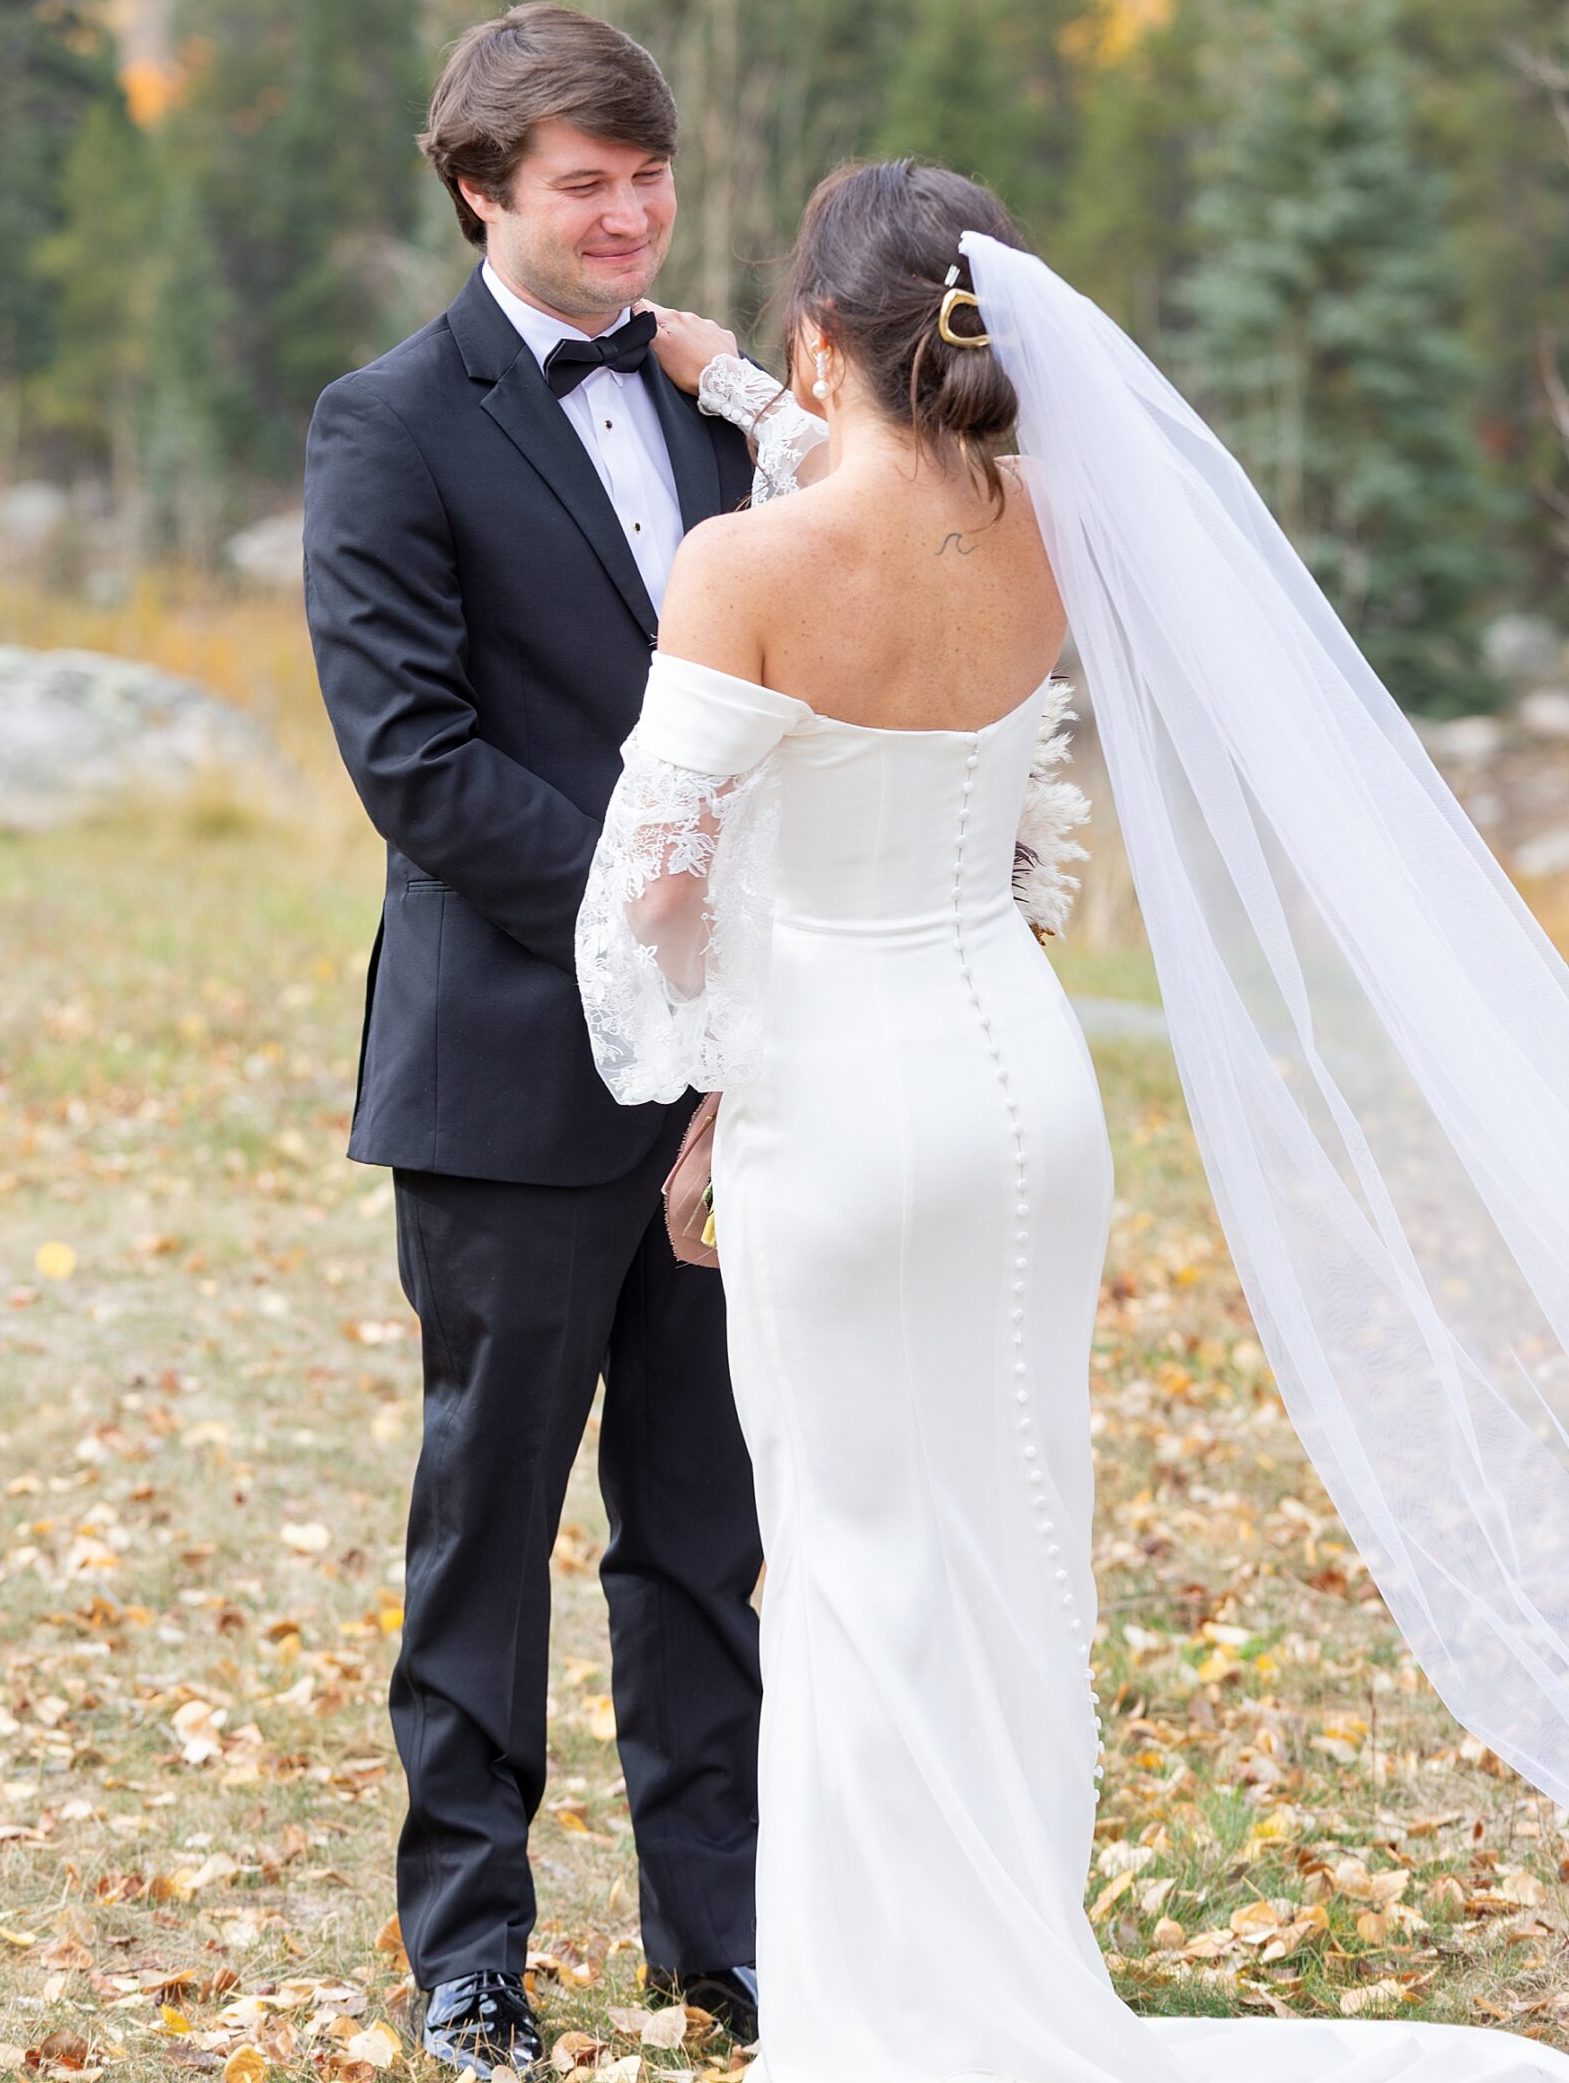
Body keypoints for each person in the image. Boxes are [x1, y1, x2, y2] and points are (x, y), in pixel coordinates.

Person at [576, 155, 1569, 2082]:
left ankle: (891, 2018)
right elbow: (873, 486)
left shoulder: (743, 571)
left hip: (841, 1095)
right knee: (1009, 1529)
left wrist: (706, 1068)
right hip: (1024, 1093)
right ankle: (1007, 1958)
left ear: (823, 336)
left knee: (851, 1553)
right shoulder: (1047, 519)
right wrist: (743, 388)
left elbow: (658, 891)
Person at [302, 5, 780, 2078]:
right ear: (480, 187)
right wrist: (652, 912)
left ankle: (721, 1939)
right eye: (585, 181)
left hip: (737, 1074)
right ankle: (470, 1951)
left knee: (703, 1524)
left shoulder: (718, 410)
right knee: (485, 1523)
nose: (629, 213)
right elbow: (412, 756)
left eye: (647, 175)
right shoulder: (387, 422)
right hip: (511, 1065)